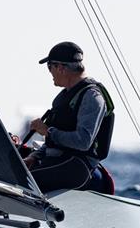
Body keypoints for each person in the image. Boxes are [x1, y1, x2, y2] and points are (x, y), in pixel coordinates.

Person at [23, 41, 115, 194]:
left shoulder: (92, 97)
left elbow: (83, 141)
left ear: (60, 67)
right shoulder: (65, 96)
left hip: (77, 167)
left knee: (22, 180)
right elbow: (54, 141)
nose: (49, 72)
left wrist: (47, 131)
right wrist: (34, 156)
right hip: (58, 159)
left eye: (49, 67)